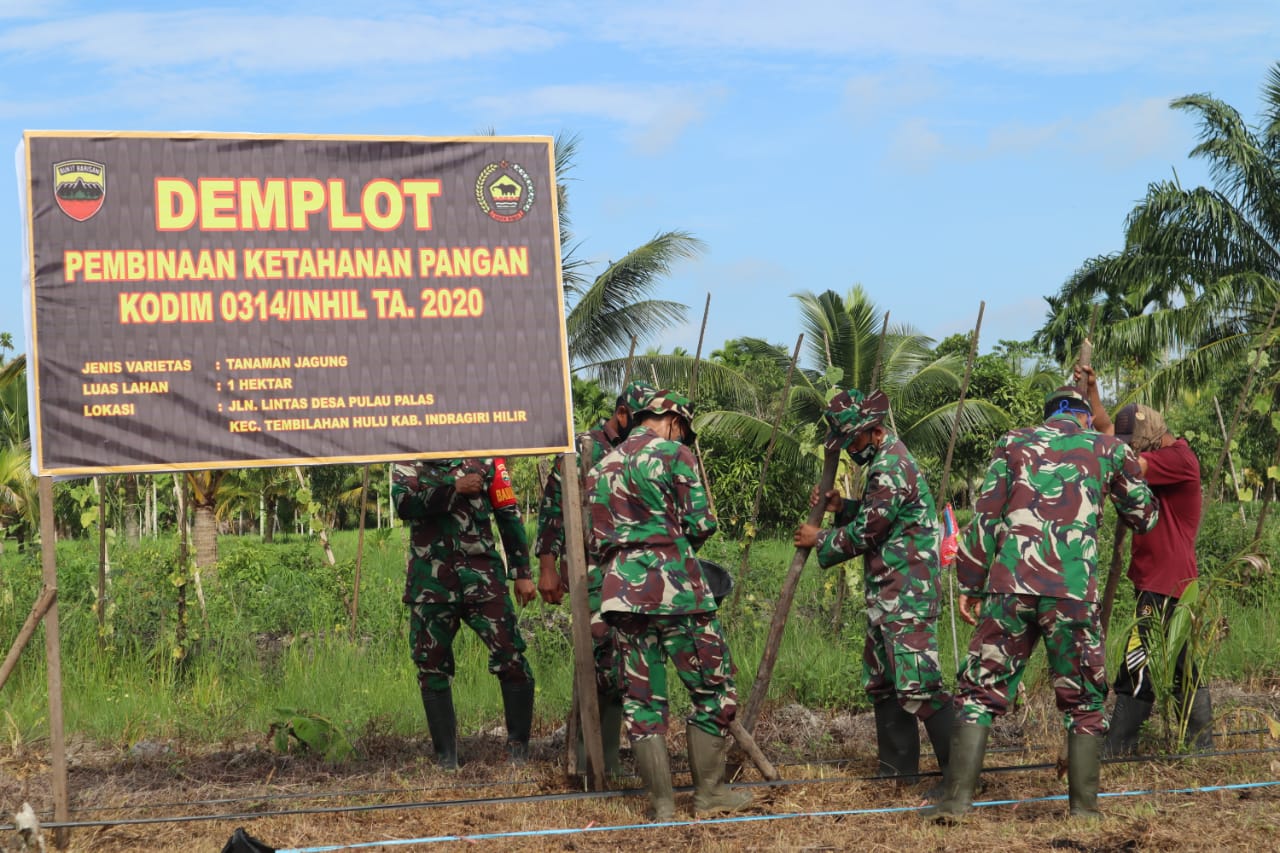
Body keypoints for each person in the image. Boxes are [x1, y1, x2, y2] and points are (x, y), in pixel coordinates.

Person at [933, 386, 1159, 820]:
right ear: (1084, 418)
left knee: (980, 689)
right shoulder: (1108, 447)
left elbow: (984, 518)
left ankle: (957, 801)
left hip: (1009, 587)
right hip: (1072, 594)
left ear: (1048, 416)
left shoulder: (1013, 442)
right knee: (1084, 699)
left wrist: (970, 585)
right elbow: (1145, 517)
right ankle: (1085, 812)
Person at [585, 388, 751, 821]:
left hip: (621, 593)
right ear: (675, 421)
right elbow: (700, 523)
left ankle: (662, 805)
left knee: (642, 702)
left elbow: (596, 540)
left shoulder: (601, 466)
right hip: (675, 591)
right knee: (714, 691)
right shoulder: (676, 455)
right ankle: (710, 794)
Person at [793, 388, 954, 796]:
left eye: (853, 441)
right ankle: (897, 774)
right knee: (883, 682)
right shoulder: (882, 463)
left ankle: (960, 779)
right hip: (887, 592)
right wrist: (840, 506)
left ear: (874, 432)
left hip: (907, 593)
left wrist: (819, 539)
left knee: (921, 687)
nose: (850, 449)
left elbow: (870, 531)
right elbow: (876, 515)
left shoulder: (892, 466)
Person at [1076, 369, 1212, 755]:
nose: (1129, 450)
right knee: (1183, 662)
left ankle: (1119, 745)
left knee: (1139, 662)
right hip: (1164, 580)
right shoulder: (1156, 451)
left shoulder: (1177, 458)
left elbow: (1125, 460)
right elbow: (1108, 432)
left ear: (1149, 437)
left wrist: (1081, 446)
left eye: (1133, 444)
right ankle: (1199, 745)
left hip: (1167, 583)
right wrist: (1093, 393)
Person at [534, 379, 655, 776]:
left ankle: (607, 760)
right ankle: (588, 761)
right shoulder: (583, 448)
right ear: (622, 415)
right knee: (600, 658)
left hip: (632, 570)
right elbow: (552, 510)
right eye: (641, 421)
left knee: (625, 662)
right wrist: (548, 565)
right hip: (591, 569)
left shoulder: (646, 454)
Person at [392, 456, 536, 769]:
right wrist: (454, 488)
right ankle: (446, 760)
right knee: (431, 666)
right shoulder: (407, 462)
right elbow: (404, 504)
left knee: (510, 655)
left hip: (482, 577)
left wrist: (522, 571)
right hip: (430, 583)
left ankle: (518, 750)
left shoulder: (487, 460)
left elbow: (508, 514)